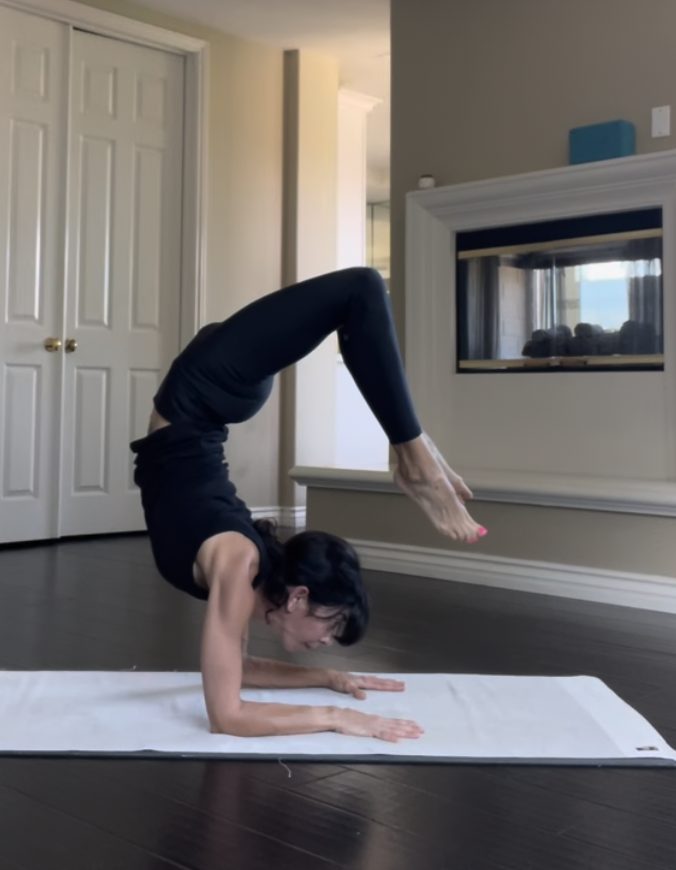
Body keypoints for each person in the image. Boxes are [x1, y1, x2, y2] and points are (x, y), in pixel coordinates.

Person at [131, 267, 486, 743]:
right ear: (299, 596)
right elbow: (228, 717)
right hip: (204, 388)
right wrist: (338, 717)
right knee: (362, 289)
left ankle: (417, 453)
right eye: (331, 624)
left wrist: (328, 678)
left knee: (357, 298)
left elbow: (239, 671)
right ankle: (416, 458)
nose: (327, 641)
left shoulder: (241, 571)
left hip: (212, 397)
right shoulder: (239, 566)